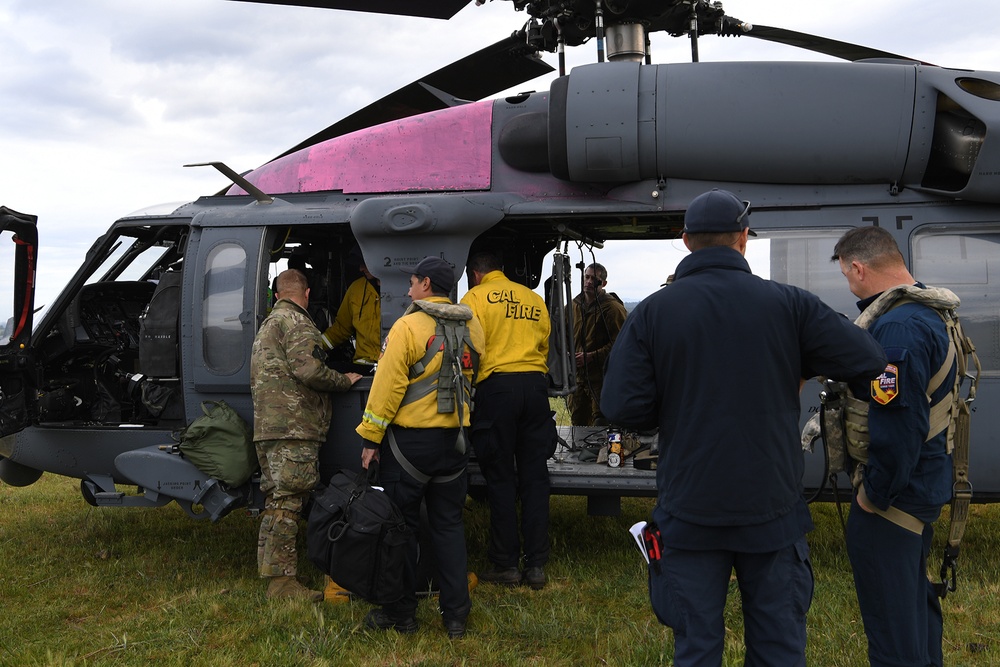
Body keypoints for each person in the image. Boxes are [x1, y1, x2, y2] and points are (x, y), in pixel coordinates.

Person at [601, 189, 887, 666]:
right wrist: (797, 366)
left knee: (696, 648)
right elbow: (868, 358)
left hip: (690, 511)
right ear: (744, 239)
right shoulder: (790, 304)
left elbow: (622, 407)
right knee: (778, 648)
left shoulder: (653, 312)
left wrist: (677, 407)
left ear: (686, 241)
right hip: (771, 510)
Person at [832, 226, 956, 667]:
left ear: (859, 268)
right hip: (921, 490)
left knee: (891, 628)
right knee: (914, 608)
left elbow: (900, 424)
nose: (850, 287)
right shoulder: (928, 309)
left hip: (894, 501)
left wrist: (873, 496)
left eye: (848, 277)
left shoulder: (898, 326)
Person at [357, 256, 484, 639]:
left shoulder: (408, 326)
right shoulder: (472, 326)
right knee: (448, 526)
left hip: (410, 447)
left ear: (426, 284)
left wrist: (370, 438)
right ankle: (456, 618)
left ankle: (401, 615)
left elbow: (388, 386)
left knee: (402, 530)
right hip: (456, 443)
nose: (409, 289)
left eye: (412, 282)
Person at [251, 269, 363, 601]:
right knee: (288, 504)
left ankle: (274, 576)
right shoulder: (297, 323)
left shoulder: (269, 324)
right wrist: (345, 380)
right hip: (293, 429)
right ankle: (283, 585)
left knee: (276, 501)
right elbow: (310, 370)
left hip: (269, 429)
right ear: (307, 293)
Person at [461, 251, 558, 590]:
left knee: (500, 478)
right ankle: (536, 566)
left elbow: (469, 349)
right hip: (534, 387)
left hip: (497, 389)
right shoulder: (532, 299)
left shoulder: (474, 297)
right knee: (535, 477)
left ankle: (505, 564)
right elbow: (545, 344)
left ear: (475, 274)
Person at [569, 262, 627, 425]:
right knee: (578, 423)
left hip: (601, 379)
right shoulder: (573, 306)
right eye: (586, 277)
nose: (588, 281)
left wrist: (591, 356)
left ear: (603, 283)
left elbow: (620, 344)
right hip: (578, 379)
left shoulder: (612, 309)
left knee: (602, 425)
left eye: (593, 279)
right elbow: (563, 334)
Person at [321, 246, 382, 375]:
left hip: (393, 365)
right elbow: (341, 329)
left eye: (364, 263)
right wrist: (315, 346)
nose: (361, 268)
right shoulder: (356, 289)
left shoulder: (406, 289)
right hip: (363, 366)